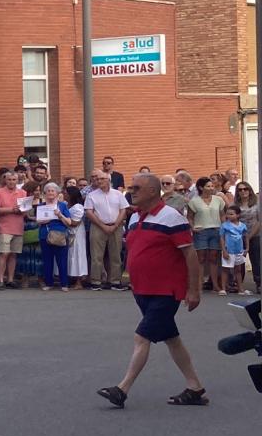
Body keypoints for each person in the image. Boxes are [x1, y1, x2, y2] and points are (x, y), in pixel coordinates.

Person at [97, 173, 208, 408]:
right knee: (172, 339)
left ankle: (122, 389)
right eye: (131, 187)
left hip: (166, 291)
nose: (131, 191)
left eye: (137, 188)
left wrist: (194, 290)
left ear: (152, 191)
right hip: (143, 290)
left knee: (142, 336)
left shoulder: (171, 218)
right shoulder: (135, 218)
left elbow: (190, 255)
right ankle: (195, 386)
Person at [85, 171, 129, 290]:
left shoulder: (118, 194)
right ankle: (96, 282)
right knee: (96, 255)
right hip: (98, 227)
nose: (99, 181)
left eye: (102, 179)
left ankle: (115, 281)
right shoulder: (92, 195)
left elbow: (123, 210)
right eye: (97, 179)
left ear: (109, 180)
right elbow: (89, 212)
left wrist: (115, 225)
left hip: (116, 226)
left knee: (115, 255)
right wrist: (102, 225)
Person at [35, 182, 77, 291]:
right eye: (48, 191)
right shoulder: (41, 205)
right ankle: (49, 283)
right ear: (45, 193)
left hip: (60, 235)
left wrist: (59, 215)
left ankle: (64, 284)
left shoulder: (62, 205)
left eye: (52, 191)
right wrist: (47, 220)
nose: (50, 193)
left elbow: (69, 222)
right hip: (45, 235)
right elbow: (38, 221)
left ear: (57, 193)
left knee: (62, 260)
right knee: (47, 260)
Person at [187, 176, 225, 293]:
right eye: (208, 186)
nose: (211, 188)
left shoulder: (218, 200)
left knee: (214, 258)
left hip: (216, 230)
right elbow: (190, 217)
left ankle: (215, 285)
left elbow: (222, 215)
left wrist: (223, 228)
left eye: (212, 186)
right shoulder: (194, 201)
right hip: (201, 231)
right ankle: (199, 285)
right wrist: (193, 228)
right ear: (201, 187)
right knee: (201, 258)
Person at [0, 170, 28, 290]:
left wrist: (21, 210)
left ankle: (10, 279)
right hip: (4, 226)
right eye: (9, 179)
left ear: (17, 181)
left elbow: (25, 210)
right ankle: (1, 280)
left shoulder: (23, 192)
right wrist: (12, 209)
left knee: (13, 254)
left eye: (14, 180)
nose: (11, 182)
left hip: (18, 226)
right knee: (4, 253)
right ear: (5, 180)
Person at [221, 204, 248, 295]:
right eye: (227, 214)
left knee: (238, 270)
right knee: (225, 269)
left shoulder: (243, 226)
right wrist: (224, 250)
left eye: (231, 214)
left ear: (238, 215)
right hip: (229, 250)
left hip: (239, 251)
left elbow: (245, 237)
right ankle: (223, 288)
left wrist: (247, 248)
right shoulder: (225, 225)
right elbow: (222, 238)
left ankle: (240, 288)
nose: (229, 216)